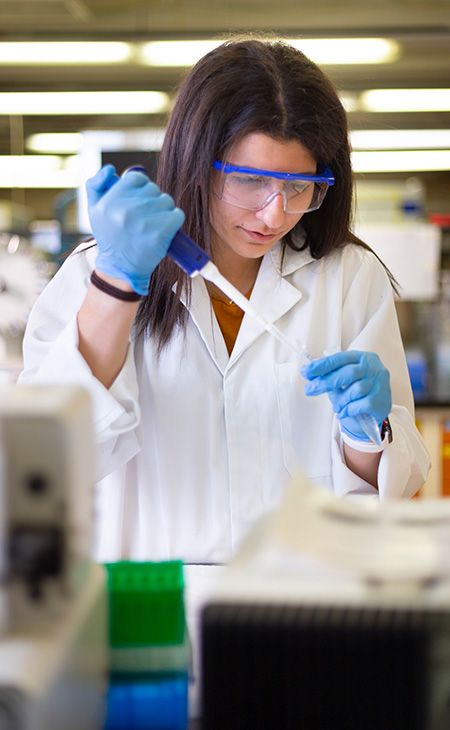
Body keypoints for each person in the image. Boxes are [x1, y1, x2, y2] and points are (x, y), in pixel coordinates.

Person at [19, 37, 430, 564]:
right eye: (250, 180)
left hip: (302, 601)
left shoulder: (347, 277)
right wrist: (118, 284)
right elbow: (45, 463)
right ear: (195, 160)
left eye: (300, 185)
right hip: (150, 604)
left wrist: (368, 434)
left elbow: (394, 487)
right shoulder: (94, 275)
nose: (274, 215)